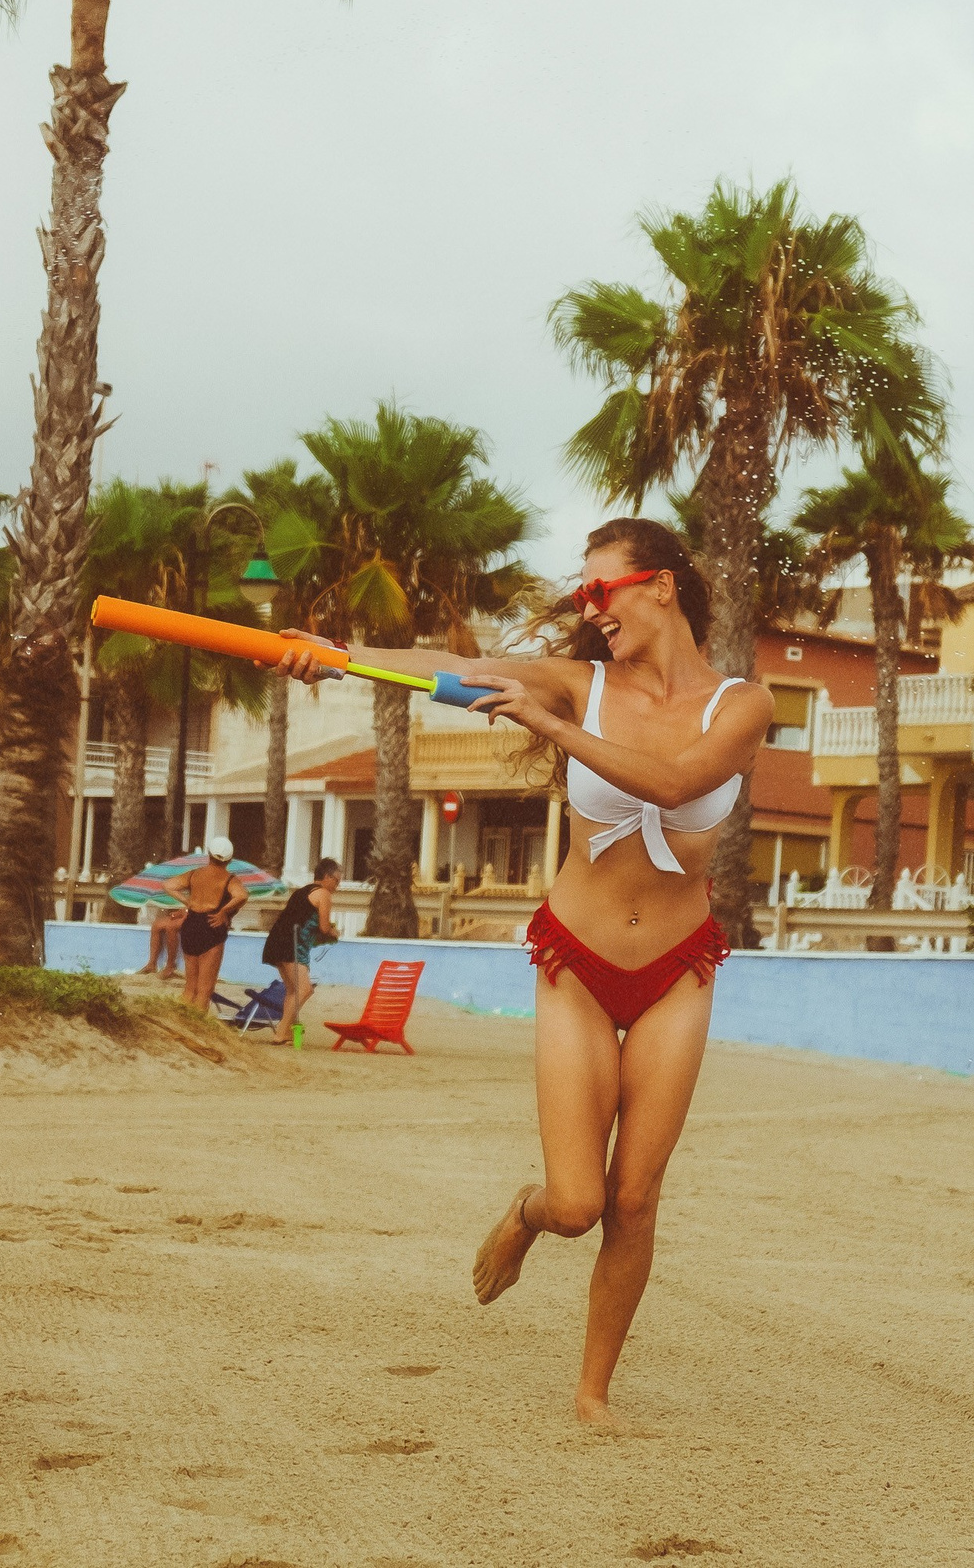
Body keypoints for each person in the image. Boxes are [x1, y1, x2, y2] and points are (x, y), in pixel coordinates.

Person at [269, 516, 767, 1424]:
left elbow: (675, 779)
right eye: (582, 594)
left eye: (599, 590)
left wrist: (545, 725)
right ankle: (528, 1214)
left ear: (660, 585)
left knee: (637, 1197)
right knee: (579, 1202)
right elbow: (450, 671)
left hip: (678, 968)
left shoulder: (742, 704)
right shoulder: (581, 684)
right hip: (576, 962)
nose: (590, 609)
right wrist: (340, 655)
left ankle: (592, 1391)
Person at [260, 857, 344, 1045]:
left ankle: (286, 1031)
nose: (337, 886)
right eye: (336, 881)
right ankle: (281, 1032)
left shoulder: (301, 892)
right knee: (304, 989)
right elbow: (323, 927)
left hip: (276, 942)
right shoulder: (323, 894)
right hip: (293, 944)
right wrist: (334, 932)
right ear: (327, 877)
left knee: (293, 990)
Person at [163, 836, 248, 1016]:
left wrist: (188, 902)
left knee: (190, 986)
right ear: (230, 859)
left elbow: (168, 885)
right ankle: (196, 1029)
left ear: (208, 854)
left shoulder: (195, 874)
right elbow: (241, 896)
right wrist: (224, 911)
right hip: (211, 925)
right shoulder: (229, 878)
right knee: (204, 989)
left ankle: (181, 1022)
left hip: (191, 924)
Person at [136, 903, 185, 979]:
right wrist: (181, 912)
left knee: (171, 927)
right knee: (157, 925)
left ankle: (170, 965)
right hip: (188, 910)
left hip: (197, 913)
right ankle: (151, 964)